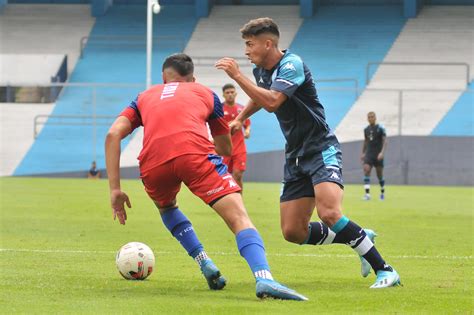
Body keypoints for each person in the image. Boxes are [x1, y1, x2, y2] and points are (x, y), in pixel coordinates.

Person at [105, 53, 307, 301]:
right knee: (238, 218)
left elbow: (113, 134)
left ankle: (204, 262)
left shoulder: (144, 97)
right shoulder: (204, 93)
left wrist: (115, 189)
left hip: (153, 164)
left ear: (163, 77)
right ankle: (264, 278)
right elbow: (224, 149)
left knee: (167, 208)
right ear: (193, 78)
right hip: (194, 156)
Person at [215, 17, 400, 288]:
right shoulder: (262, 71)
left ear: (268, 44)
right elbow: (259, 95)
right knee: (293, 231)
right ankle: (359, 236)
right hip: (295, 154)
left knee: (329, 213)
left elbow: (273, 101)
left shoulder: (291, 65)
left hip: (320, 147)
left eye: (250, 44)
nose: (246, 51)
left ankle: (385, 270)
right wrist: (240, 118)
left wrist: (236, 76)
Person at [221, 83, 251, 191]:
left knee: (238, 175)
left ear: (236, 93)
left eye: (232, 92)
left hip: (239, 147)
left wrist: (247, 130)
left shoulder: (241, 109)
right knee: (224, 177)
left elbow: (247, 123)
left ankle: (239, 201)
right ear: (223, 95)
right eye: (227, 93)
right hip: (224, 148)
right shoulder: (219, 109)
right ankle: (228, 201)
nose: (230, 95)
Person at [361, 112, 387, 201]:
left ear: (375, 118)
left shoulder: (380, 128)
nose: (370, 118)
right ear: (367, 118)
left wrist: (382, 153)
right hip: (369, 154)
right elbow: (366, 141)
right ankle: (367, 194)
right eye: (369, 117)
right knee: (366, 170)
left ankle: (382, 192)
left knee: (379, 175)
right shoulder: (366, 129)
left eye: (372, 117)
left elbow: (385, 141)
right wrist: (363, 153)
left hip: (378, 154)